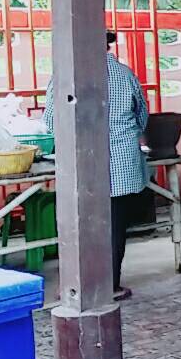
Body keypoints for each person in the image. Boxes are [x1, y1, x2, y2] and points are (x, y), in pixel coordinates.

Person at [43, 31, 149, 301]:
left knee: (79, 225)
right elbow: (142, 116)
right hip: (121, 161)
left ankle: (76, 286)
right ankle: (109, 285)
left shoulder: (65, 76)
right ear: (107, 45)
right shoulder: (125, 74)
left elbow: (52, 121)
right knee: (114, 225)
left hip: (80, 162)